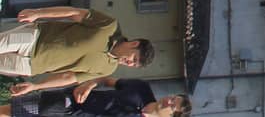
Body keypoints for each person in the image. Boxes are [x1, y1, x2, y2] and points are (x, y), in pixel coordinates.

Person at [0, 8, 152, 91]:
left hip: (32, 66)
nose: (130, 64)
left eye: (134, 65)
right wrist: (38, 13)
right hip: (35, 38)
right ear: (134, 44)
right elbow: (74, 13)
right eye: (134, 59)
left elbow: (69, 78)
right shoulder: (109, 26)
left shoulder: (107, 69)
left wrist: (36, 86)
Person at [0, 79, 190, 117]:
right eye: (173, 98)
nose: (169, 101)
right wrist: (89, 84)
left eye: (173, 106)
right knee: (10, 112)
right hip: (69, 102)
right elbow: (106, 79)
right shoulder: (141, 88)